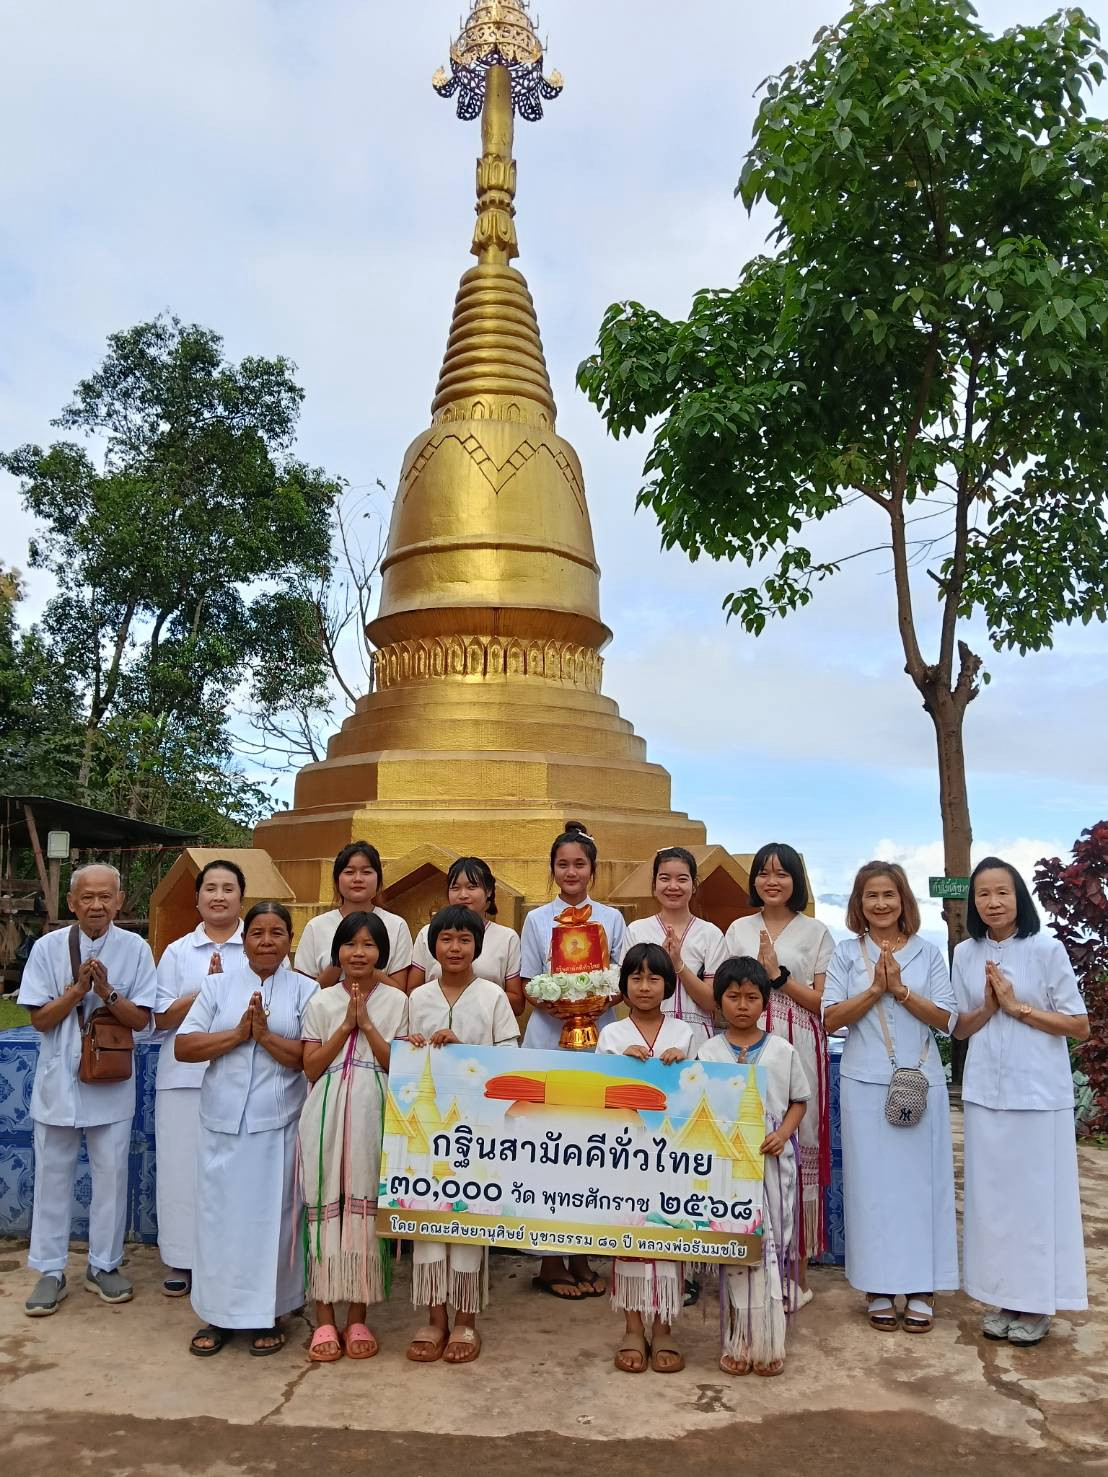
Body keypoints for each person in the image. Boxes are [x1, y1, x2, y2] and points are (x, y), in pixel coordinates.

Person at [953, 857, 1089, 1345]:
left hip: (1037, 1093)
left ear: (1018, 897)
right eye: (983, 894)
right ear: (973, 903)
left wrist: (1017, 1008)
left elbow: (1079, 1024)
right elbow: (960, 1029)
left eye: (1002, 892)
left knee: (1035, 1201)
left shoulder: (1045, 949)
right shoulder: (965, 954)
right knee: (994, 1202)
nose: (992, 902)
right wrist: (990, 1008)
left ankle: (1037, 1304)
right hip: (985, 1092)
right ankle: (1004, 1296)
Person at [176, 902, 317, 1356]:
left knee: (271, 1223)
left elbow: (307, 1058)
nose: (266, 941)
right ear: (245, 940)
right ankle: (216, 1315)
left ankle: (270, 1313)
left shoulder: (305, 990)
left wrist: (266, 1037)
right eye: (258, 933)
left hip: (277, 1124)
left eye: (277, 933)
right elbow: (185, 1046)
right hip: (221, 1123)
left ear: (289, 941)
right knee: (220, 1221)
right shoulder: (217, 987)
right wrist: (238, 1035)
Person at [824, 862, 958, 1334]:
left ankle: (923, 1285)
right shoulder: (845, 954)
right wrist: (875, 989)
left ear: (904, 901)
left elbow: (947, 1019)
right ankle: (879, 1286)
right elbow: (831, 1018)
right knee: (873, 1189)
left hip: (920, 1081)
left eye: (889, 895)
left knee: (924, 1186)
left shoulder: (928, 954)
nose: (880, 904)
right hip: (864, 1081)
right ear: (858, 904)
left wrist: (899, 991)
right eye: (870, 896)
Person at [20, 864, 157, 1316]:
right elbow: (39, 1019)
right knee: (52, 1176)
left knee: (112, 1176)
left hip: (111, 1081)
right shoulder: (47, 948)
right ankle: (50, 1270)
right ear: (72, 903)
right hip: (59, 1079)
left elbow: (142, 1022)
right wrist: (79, 991)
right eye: (87, 897)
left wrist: (108, 992)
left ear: (119, 901)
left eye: (105, 897)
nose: (97, 905)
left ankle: (105, 1265)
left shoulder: (136, 949)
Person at [406, 905, 520, 1364]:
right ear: (433, 945)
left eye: (464, 940)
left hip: (477, 1128)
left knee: (469, 1217)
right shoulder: (418, 999)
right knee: (428, 1218)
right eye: (446, 939)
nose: (455, 948)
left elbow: (510, 1059)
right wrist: (413, 1048)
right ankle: (434, 1319)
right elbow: (401, 1060)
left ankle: (466, 1321)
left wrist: (465, 1051)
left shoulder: (492, 997)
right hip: (427, 1130)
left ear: (478, 946)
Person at [520, 820, 627, 1300]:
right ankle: (549, 1261)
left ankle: (582, 1254)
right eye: (562, 865)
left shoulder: (612, 918)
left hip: (599, 1037)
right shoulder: (537, 920)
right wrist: (561, 1005)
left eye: (579, 864)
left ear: (593, 869)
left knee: (591, 1149)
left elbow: (620, 976)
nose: (571, 872)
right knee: (549, 1146)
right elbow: (528, 979)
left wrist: (593, 1004)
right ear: (552, 870)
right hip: (547, 1039)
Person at [299, 910, 407, 1363]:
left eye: (368, 945)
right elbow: (309, 1066)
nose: (358, 953)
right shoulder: (321, 1002)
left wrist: (366, 1024)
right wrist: (345, 1024)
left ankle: (358, 1314)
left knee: (364, 1204)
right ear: (337, 950)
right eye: (350, 944)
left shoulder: (398, 1001)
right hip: (325, 1109)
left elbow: (396, 1065)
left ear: (381, 951)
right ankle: (324, 1317)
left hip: (373, 1108)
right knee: (326, 1206)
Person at [723, 842, 833, 1280]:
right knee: (744, 1136)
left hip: (799, 1037)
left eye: (782, 873)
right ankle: (741, 1256)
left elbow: (824, 1002)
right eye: (764, 873)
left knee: (795, 1134)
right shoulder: (737, 928)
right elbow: (725, 991)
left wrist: (777, 977)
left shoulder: (816, 932)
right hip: (743, 1039)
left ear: (796, 881)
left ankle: (796, 1267)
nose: (772, 881)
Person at [698, 957, 809, 1376]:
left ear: (765, 1002)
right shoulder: (708, 1051)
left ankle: (769, 1342)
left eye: (751, 997)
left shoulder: (782, 1051)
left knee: (770, 1251)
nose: (742, 1005)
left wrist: (783, 1133)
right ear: (719, 1000)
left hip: (771, 1164)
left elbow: (800, 1100)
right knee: (736, 1250)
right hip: (727, 1166)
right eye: (733, 996)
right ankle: (739, 1340)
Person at [152, 859, 246, 1298]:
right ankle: (181, 1258)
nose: (219, 896)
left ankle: (227, 1256)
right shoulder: (177, 952)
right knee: (180, 1169)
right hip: (183, 1075)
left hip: (240, 1072)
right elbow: (160, 1018)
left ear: (241, 898)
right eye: (210, 888)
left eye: (228, 888)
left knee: (232, 1169)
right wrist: (204, 992)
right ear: (197, 898)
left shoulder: (257, 945)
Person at [597, 942, 692, 1374]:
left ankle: (666, 1328)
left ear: (669, 985)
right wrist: (622, 1066)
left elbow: (700, 1092)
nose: (645, 986)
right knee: (629, 1238)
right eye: (636, 977)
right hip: (625, 1155)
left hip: (672, 1155)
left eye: (655, 978)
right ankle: (633, 1327)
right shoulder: (612, 1035)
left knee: (668, 1235)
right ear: (623, 985)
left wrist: (682, 1065)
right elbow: (598, 1094)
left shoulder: (687, 1034)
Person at [624, 848, 725, 1052]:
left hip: (697, 1037)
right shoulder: (637, 930)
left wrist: (678, 965)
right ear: (654, 885)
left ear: (694, 885)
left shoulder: (710, 934)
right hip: (645, 1034)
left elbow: (712, 1001)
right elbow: (628, 994)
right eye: (664, 878)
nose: (673, 886)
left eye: (682, 879)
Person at [407, 856, 523, 1013]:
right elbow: (413, 992)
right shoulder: (427, 933)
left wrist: (473, 997)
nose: (463, 895)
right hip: (435, 1026)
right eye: (455, 888)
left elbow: (517, 1004)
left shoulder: (507, 938)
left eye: (471, 887)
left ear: (488, 890)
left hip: (486, 1029)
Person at [294, 841, 412, 990]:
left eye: (366, 872)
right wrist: (339, 961)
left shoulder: (396, 925)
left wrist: (364, 966)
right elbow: (303, 993)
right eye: (349, 872)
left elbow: (400, 992)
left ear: (378, 880)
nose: (358, 879)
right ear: (337, 880)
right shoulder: (316, 926)